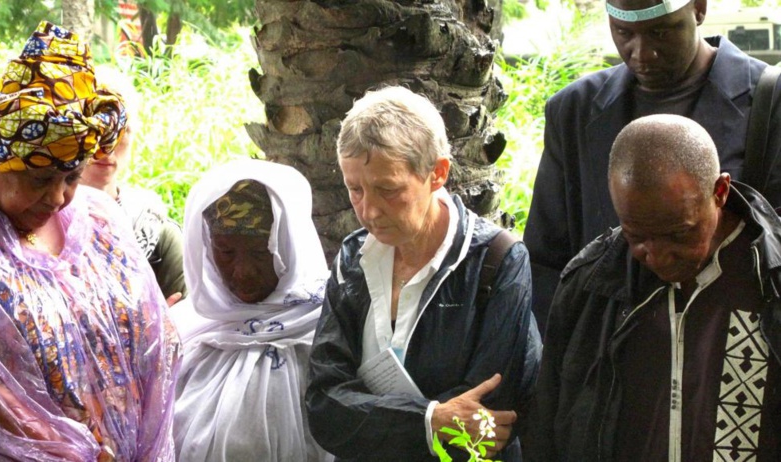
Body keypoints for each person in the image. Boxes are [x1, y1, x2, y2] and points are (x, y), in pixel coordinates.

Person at [0, 22, 180, 460]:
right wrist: (68, 451)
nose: (60, 198)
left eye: (73, 177)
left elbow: (154, 339)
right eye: (41, 179)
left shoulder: (100, 222)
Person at [525, 114, 781, 461]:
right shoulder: (590, 287)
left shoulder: (770, 277)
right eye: (636, 236)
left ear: (719, 192)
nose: (658, 256)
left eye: (679, 234)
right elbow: (547, 431)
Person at [306, 86, 541, 461]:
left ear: (437, 173)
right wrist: (432, 419)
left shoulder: (498, 261)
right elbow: (323, 406)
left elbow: (486, 424)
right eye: (355, 190)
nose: (369, 211)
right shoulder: (353, 258)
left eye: (388, 189)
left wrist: (369, 420)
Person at [524, 0, 781, 335]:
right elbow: (546, 259)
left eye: (660, 32)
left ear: (699, 9)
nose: (642, 54)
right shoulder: (573, 112)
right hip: (609, 356)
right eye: (624, 33)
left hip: (731, 348)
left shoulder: (770, 104)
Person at [171, 158, 333, 461]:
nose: (243, 272)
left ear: (288, 246)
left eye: (261, 252)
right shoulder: (186, 331)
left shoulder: (330, 330)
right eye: (226, 252)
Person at [81, 65, 186, 304]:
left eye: (119, 132)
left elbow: (184, 327)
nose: (105, 148)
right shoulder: (39, 227)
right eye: (94, 131)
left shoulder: (156, 233)